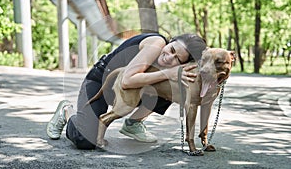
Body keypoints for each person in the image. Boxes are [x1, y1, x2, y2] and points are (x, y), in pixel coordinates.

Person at [46, 33, 207, 150]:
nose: (169, 57)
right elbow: (126, 81)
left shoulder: (176, 66)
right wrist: (167, 73)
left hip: (132, 89)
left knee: (178, 82)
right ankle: (67, 111)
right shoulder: (156, 44)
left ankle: (133, 123)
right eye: (171, 49)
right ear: (169, 41)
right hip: (102, 80)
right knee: (84, 140)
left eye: (177, 59)